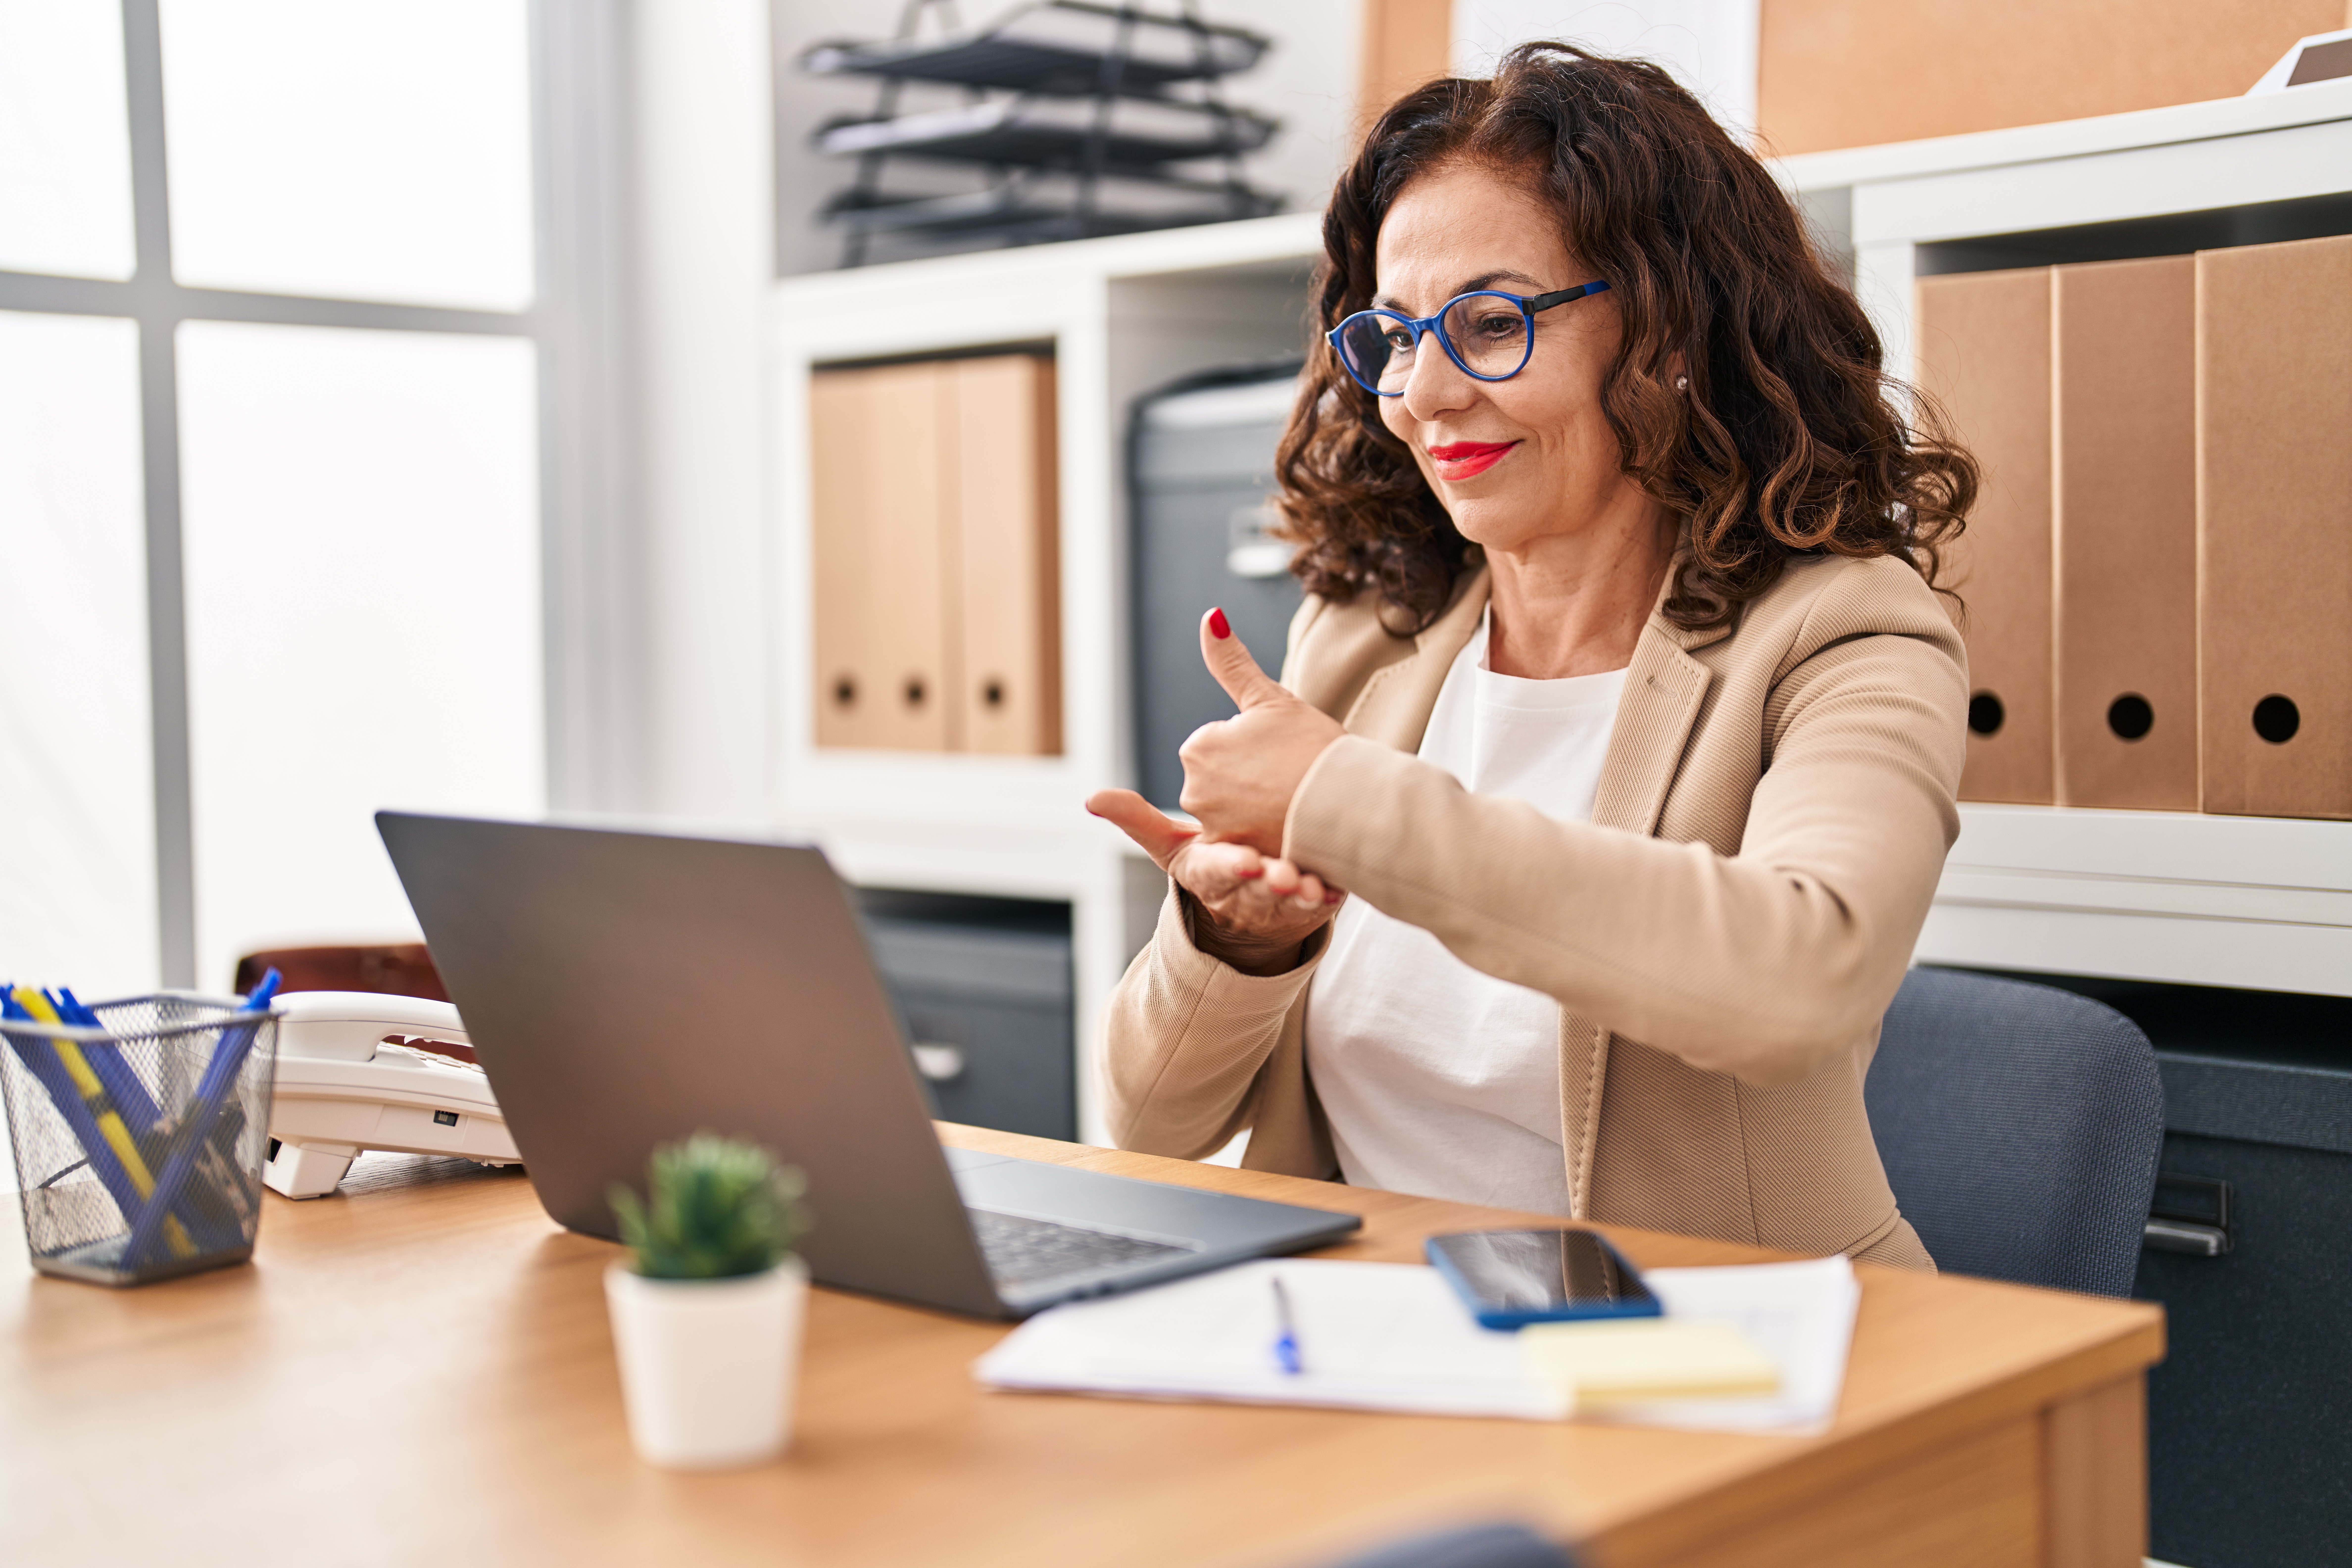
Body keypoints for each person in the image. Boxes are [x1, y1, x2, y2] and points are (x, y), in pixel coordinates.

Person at [1087, 45, 1976, 1267]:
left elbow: (1801, 981)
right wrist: (1239, 944)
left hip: (1727, 1359)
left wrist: (1344, 802)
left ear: (1671, 325)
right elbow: (1148, 1124)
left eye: (1492, 323)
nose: (1424, 392)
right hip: (1378, 1341)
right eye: (1394, 336)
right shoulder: (1368, 633)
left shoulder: (1845, 631)